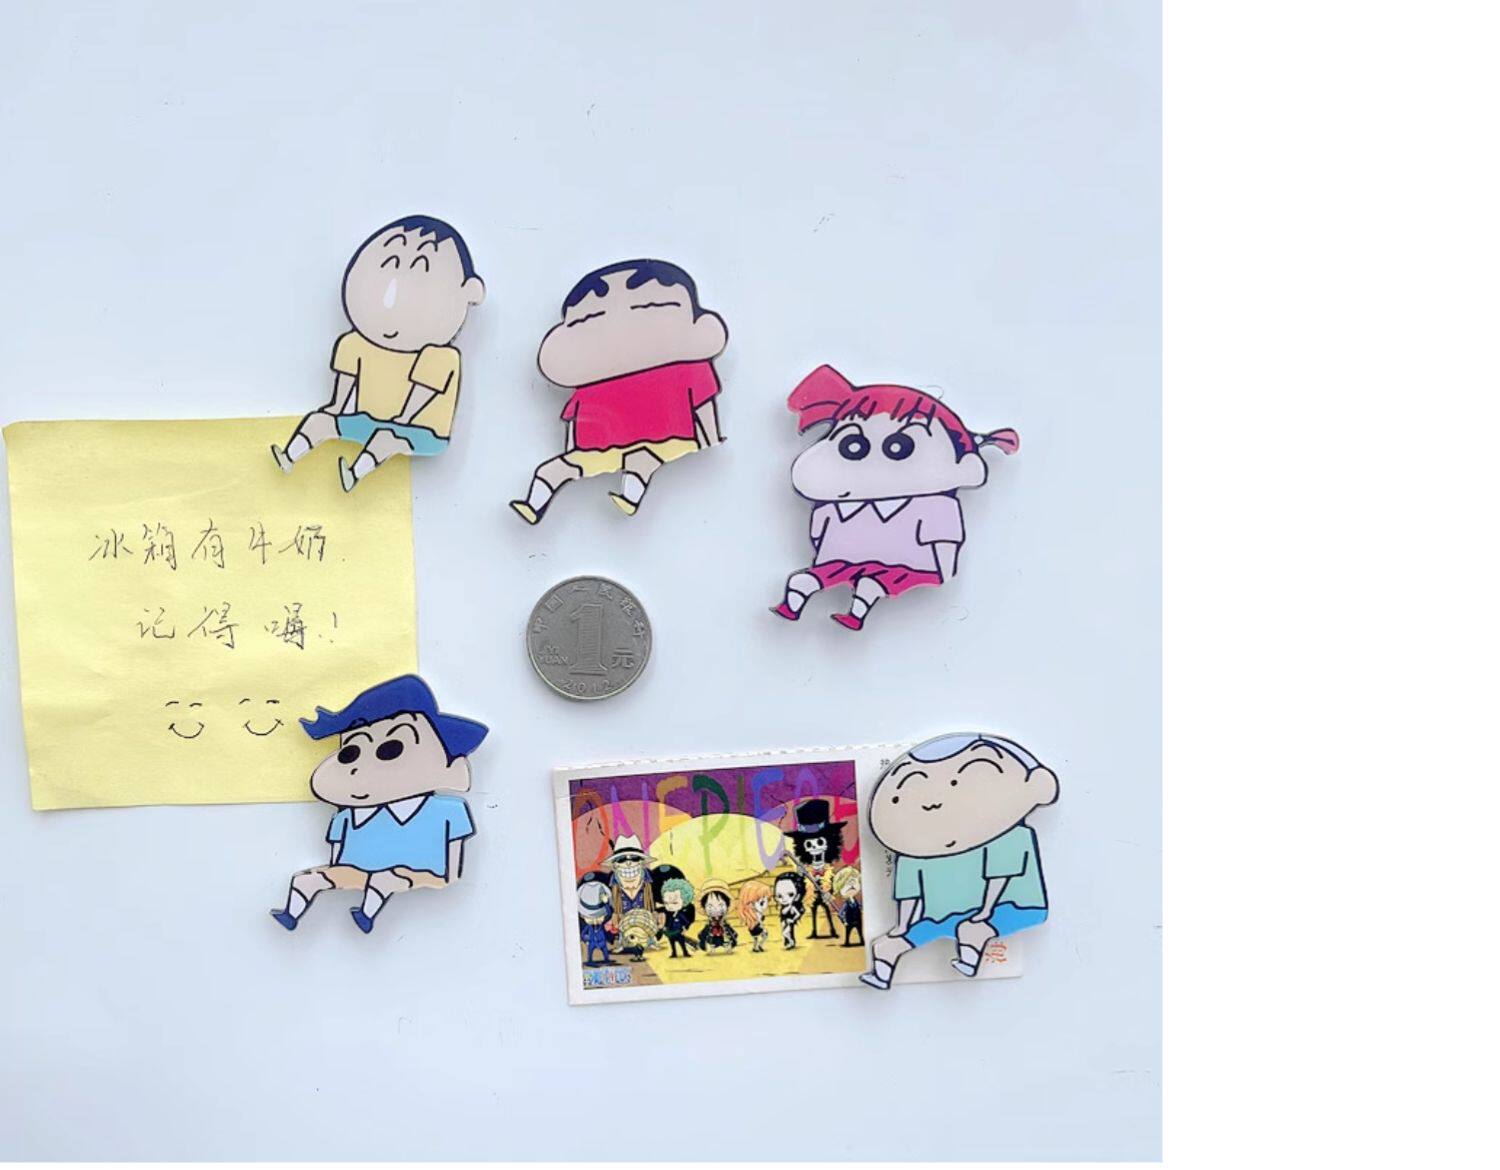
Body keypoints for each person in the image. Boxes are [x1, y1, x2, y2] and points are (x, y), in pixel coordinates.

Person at [772, 364, 1019, 630]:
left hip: (905, 568)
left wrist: (944, 572)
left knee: (867, 582)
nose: (873, 466)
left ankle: (848, 610)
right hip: (850, 563)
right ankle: (801, 602)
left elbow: (944, 543)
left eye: (899, 448)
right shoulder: (835, 507)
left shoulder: (934, 506)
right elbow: (821, 538)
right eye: (852, 446)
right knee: (820, 578)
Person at [271, 216, 485, 492]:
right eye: (390, 263)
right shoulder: (355, 343)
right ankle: (288, 457)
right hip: (367, 421)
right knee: (320, 421)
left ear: (470, 292)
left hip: (422, 433)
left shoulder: (439, 356)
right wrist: (336, 409)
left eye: (420, 270)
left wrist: (401, 422)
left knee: (385, 438)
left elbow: (420, 398)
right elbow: (342, 391)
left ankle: (354, 474)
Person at [509, 259, 728, 522]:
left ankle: (630, 497)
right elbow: (574, 425)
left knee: (641, 458)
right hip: (599, 450)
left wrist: (709, 439)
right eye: (591, 318)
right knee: (551, 470)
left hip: (668, 441)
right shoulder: (590, 387)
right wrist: (572, 453)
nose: (621, 326)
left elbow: (703, 404)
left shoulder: (687, 369)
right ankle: (532, 506)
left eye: (649, 307)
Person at [269, 675, 487, 933]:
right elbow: (338, 860)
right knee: (306, 880)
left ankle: (366, 915)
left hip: (420, 873)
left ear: (451, 764)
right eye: (350, 753)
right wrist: (335, 873)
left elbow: (451, 869)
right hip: (357, 872)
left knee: (384, 879)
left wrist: (447, 876)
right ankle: (290, 915)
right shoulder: (346, 817)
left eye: (391, 749)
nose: (360, 768)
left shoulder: (448, 811)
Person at [859, 733, 1058, 989]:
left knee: (970, 929)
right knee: (887, 945)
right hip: (943, 918)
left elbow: (1001, 874)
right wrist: (902, 926)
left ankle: (969, 959)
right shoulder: (914, 852)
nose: (934, 802)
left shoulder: (1010, 836)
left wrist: (984, 913)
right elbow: (908, 892)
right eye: (901, 796)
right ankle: (881, 974)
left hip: (1011, 907)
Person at [786, 798, 846, 939]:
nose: (814, 848)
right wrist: (801, 873)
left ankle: (832, 930)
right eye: (809, 844)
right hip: (813, 893)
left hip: (825, 892)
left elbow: (832, 878)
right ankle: (814, 931)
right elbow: (803, 880)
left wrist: (829, 892)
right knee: (814, 912)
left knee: (827, 911)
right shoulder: (807, 866)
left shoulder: (828, 866)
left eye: (819, 842)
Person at [604, 834, 658, 952]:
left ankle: (650, 941)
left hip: (643, 917)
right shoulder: (613, 881)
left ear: (641, 862)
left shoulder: (647, 878)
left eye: (634, 858)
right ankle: (622, 944)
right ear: (615, 864)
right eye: (622, 859)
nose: (628, 863)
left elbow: (651, 899)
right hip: (624, 917)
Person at [577, 879, 614, 966]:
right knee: (590, 951)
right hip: (592, 942)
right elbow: (583, 934)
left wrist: (606, 904)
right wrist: (586, 939)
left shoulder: (601, 923)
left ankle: (606, 959)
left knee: (604, 950)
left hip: (601, 942)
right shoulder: (589, 926)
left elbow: (608, 914)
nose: (595, 919)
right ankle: (590, 960)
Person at [696, 878, 739, 952]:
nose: (716, 909)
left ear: (727, 905)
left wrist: (732, 935)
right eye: (710, 906)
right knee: (712, 942)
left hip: (722, 935)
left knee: (726, 940)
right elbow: (704, 933)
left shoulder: (724, 923)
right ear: (704, 907)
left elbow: (730, 931)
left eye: (720, 905)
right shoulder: (709, 924)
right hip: (713, 936)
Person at [659, 877, 697, 958]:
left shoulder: (680, 914)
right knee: (672, 943)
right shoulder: (667, 914)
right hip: (670, 932)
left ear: (685, 901)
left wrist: (685, 929)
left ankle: (685, 952)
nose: (670, 906)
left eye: (674, 903)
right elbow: (665, 922)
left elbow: (687, 922)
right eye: (666, 903)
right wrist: (665, 928)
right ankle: (674, 953)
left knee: (682, 943)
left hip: (679, 932)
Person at [738, 878, 773, 953]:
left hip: (756, 927)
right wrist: (761, 926)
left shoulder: (756, 913)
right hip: (755, 928)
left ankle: (757, 946)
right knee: (762, 936)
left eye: (767, 900)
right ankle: (757, 947)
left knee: (760, 937)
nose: (765, 905)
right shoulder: (752, 914)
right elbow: (757, 922)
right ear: (751, 903)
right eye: (761, 903)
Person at [773, 872, 807, 950]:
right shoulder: (784, 907)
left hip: (788, 922)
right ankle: (788, 942)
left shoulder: (792, 907)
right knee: (785, 932)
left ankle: (791, 942)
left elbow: (798, 914)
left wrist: (792, 920)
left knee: (786, 932)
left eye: (790, 894)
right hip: (784, 922)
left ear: (797, 895)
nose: (784, 899)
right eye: (779, 896)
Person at [832, 866, 864, 947]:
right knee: (848, 932)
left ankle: (861, 941)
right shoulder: (846, 904)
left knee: (860, 931)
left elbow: (861, 907)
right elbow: (840, 913)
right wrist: (844, 921)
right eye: (847, 883)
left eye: (854, 882)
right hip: (850, 922)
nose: (852, 885)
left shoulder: (857, 902)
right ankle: (847, 942)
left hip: (858, 921)